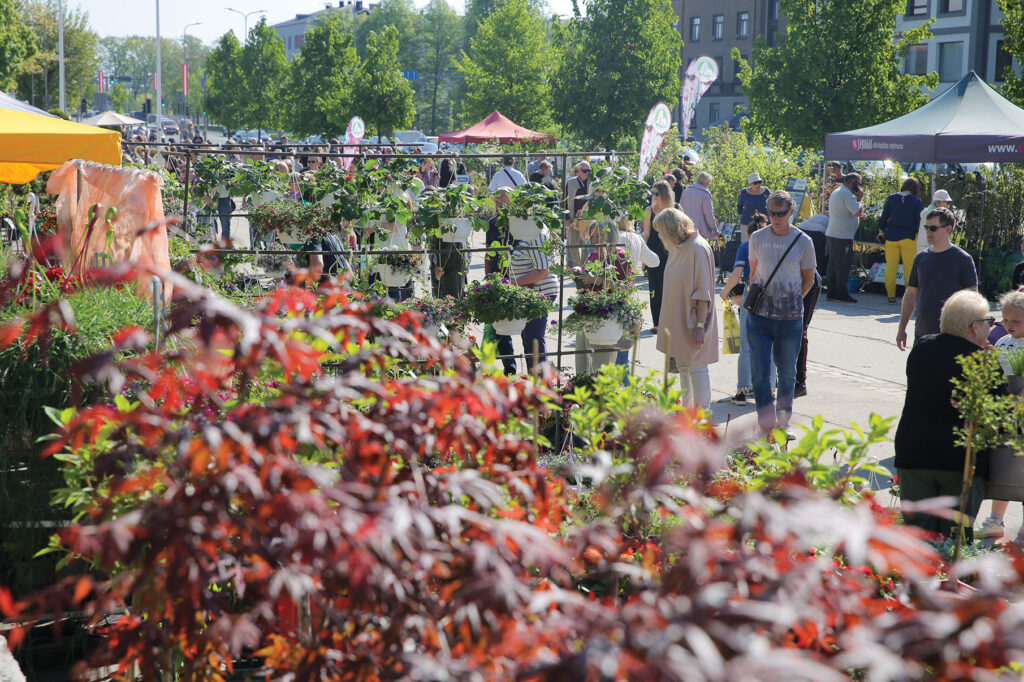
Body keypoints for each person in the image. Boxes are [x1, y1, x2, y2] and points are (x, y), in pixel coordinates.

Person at [894, 290, 996, 541]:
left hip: (914, 452)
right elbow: (996, 411)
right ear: (974, 327)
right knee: (955, 540)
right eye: (988, 322)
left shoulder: (921, 348)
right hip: (958, 459)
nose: (991, 328)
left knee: (916, 539)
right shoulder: (981, 360)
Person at [745, 190, 817, 438]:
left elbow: (809, 279)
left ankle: (783, 422)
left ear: (791, 211)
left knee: (787, 373)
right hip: (760, 318)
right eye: (772, 213)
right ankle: (766, 424)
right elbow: (755, 275)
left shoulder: (804, 241)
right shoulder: (757, 238)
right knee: (760, 374)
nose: (776, 218)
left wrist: (794, 298)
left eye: (781, 213)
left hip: (789, 319)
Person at [654, 208, 719, 410]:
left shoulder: (697, 248)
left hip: (693, 322)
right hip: (679, 321)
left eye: (660, 232)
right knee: (683, 365)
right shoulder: (678, 247)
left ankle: (701, 416)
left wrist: (700, 325)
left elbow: (703, 292)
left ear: (671, 229)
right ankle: (688, 412)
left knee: (697, 366)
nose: (659, 236)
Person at [976, 288, 1024, 541]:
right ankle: (995, 519)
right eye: (1004, 320)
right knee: (1006, 471)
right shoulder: (1004, 342)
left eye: (1015, 321)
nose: (1008, 325)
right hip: (1008, 418)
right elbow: (1003, 376)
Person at [896, 207, 978, 350]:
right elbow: (910, 295)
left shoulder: (963, 259)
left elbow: (972, 300)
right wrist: (901, 328)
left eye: (933, 228)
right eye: (926, 227)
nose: (928, 232)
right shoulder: (921, 258)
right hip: (922, 335)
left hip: (952, 337)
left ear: (948, 229)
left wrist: (972, 335)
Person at [720, 214, 776, 406]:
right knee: (770, 346)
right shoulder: (775, 245)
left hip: (752, 296)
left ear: (749, 233)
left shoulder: (746, 246)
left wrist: (725, 292)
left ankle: (742, 390)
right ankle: (769, 388)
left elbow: (737, 273)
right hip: (774, 297)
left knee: (746, 346)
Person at [574, 222, 632, 376]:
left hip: (610, 318)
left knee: (615, 364)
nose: (594, 241)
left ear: (610, 237)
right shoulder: (593, 255)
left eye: (599, 236)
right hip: (591, 316)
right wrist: (579, 272)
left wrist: (598, 281)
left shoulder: (619, 256)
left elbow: (626, 289)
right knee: (587, 361)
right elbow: (588, 278)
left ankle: (621, 397)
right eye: (592, 237)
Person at [510, 226, 559, 374]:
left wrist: (514, 283)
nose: (497, 204)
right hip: (529, 291)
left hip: (540, 291)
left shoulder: (535, 231)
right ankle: (535, 382)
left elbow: (543, 271)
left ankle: (542, 384)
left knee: (534, 339)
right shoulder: (521, 229)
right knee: (528, 339)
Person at [878, 178, 925, 304]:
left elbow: (884, 217)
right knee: (909, 269)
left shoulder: (892, 198)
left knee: (890, 268)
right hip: (908, 238)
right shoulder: (916, 201)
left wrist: (881, 230)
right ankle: (909, 298)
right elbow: (919, 221)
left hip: (891, 237)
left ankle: (891, 296)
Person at [641, 181, 677, 332]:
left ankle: (670, 321)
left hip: (672, 252)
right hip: (654, 253)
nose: (653, 197)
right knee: (655, 288)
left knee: (670, 287)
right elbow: (646, 235)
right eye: (652, 193)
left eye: (657, 193)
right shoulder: (649, 210)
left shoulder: (675, 209)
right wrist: (643, 257)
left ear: (664, 194)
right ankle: (657, 322)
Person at [825, 172, 864, 303]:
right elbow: (857, 212)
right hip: (842, 235)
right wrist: (860, 199)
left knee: (833, 264)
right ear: (851, 182)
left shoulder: (839, 191)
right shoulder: (847, 194)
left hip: (834, 233)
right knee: (843, 265)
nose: (858, 186)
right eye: (857, 183)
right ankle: (841, 292)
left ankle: (832, 292)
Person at [564, 161, 592, 268]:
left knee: (587, 243)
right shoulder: (570, 182)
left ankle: (585, 265)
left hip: (588, 217)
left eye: (589, 171)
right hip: (574, 217)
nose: (587, 173)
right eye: (584, 171)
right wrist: (566, 217)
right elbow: (565, 201)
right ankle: (573, 266)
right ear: (578, 171)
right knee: (572, 243)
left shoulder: (593, 182)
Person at [679, 172, 717, 241]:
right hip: (700, 230)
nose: (709, 184)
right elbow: (708, 214)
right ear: (704, 181)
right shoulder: (705, 194)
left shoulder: (686, 191)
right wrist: (714, 228)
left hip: (685, 228)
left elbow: (680, 209)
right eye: (709, 182)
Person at [736, 173, 770, 243]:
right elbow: (739, 206)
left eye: (759, 182)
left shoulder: (766, 192)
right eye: (755, 183)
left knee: (763, 245)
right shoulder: (744, 193)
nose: (758, 185)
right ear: (750, 184)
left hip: (763, 224)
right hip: (747, 223)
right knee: (746, 245)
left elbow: (772, 205)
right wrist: (740, 218)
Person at [917, 189, 954, 253]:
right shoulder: (933, 215)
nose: (948, 205)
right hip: (929, 250)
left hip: (924, 249)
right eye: (947, 202)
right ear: (939, 202)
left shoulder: (927, 212)